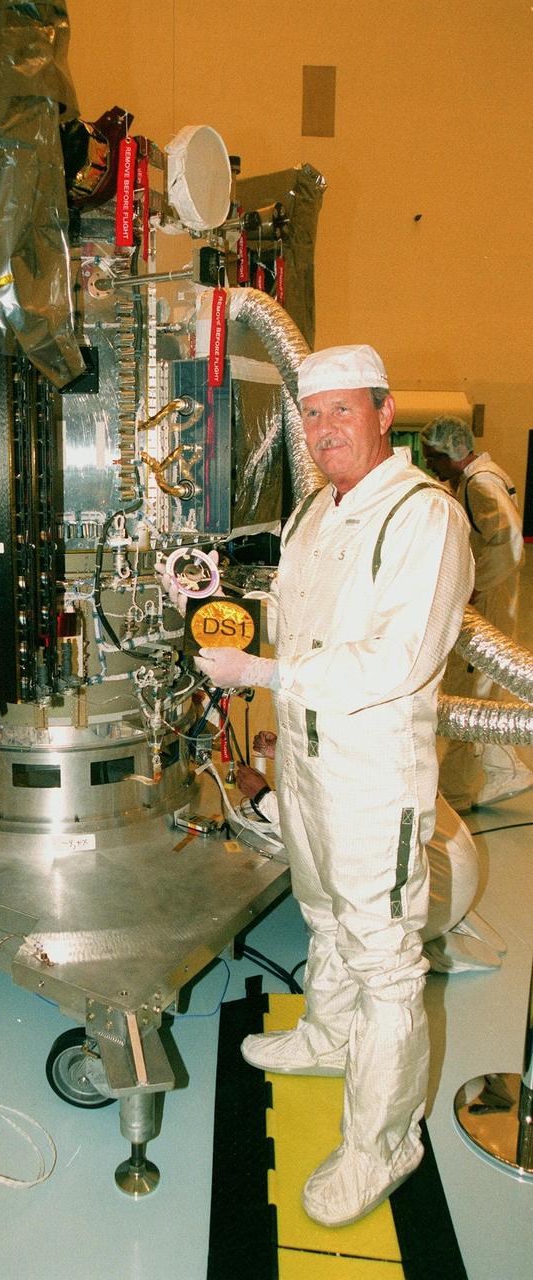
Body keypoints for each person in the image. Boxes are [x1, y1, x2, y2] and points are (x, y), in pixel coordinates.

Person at [192, 344, 474, 1227]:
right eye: (311, 415)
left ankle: (383, 1145)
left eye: (342, 410)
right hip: (308, 760)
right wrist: (225, 611)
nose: (324, 430)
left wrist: (262, 674)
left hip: (371, 771)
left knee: (384, 959)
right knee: (320, 912)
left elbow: (396, 659)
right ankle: (325, 1035)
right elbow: (298, 618)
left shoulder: (423, 517)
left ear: (384, 413)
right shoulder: (316, 509)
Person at [234, 732, 503, 973]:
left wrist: (262, 796)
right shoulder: (384, 740)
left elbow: (319, 838)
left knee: (329, 919)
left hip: (432, 902)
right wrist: (284, 752)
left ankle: (406, 949)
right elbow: (335, 764)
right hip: (456, 876)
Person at [421, 416, 532, 813]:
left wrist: (474, 587)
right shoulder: (479, 477)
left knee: (470, 697)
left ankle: (457, 793)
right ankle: (504, 769)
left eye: (432, 457)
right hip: (492, 601)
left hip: (488, 605)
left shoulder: (481, 484)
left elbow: (509, 540)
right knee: (479, 690)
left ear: (451, 452)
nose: (429, 464)